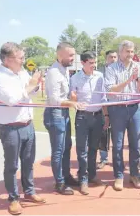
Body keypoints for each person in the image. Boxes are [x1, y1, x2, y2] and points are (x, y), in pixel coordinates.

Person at [0, 42, 46, 215]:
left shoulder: (21, 73)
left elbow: (30, 94)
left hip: (28, 125)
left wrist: (34, 85)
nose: (23, 61)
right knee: (12, 166)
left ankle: (29, 192)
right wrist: (30, 85)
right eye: (20, 58)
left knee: (28, 163)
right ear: (7, 60)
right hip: (10, 128)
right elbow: (11, 100)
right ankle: (13, 198)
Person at [105, 40, 140, 191]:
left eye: (132, 52)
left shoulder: (139, 68)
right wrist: (128, 81)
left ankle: (134, 174)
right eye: (127, 51)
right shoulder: (111, 68)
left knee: (135, 144)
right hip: (117, 109)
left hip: (135, 108)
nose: (130, 55)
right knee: (117, 145)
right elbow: (111, 91)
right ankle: (118, 175)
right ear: (120, 52)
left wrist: (136, 79)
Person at [43, 42, 86, 195]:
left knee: (67, 146)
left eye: (73, 55)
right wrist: (72, 103)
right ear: (59, 55)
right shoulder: (54, 72)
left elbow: (64, 94)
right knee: (58, 150)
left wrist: (72, 97)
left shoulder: (65, 70)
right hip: (55, 114)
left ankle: (66, 176)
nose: (73, 58)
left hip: (64, 114)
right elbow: (54, 99)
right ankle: (59, 182)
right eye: (70, 55)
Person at [69, 51, 109, 195]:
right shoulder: (75, 78)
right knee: (82, 150)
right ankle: (83, 179)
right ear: (83, 63)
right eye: (91, 63)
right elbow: (72, 95)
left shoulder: (100, 76)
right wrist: (74, 98)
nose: (94, 65)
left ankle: (92, 176)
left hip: (98, 116)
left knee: (93, 148)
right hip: (82, 117)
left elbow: (103, 97)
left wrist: (106, 115)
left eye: (95, 63)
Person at [97, 50, 118, 170]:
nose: (113, 59)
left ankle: (117, 158)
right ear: (106, 59)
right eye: (111, 57)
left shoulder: (120, 71)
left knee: (117, 134)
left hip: (117, 106)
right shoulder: (99, 74)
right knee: (103, 133)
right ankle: (103, 158)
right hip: (103, 106)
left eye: (115, 57)